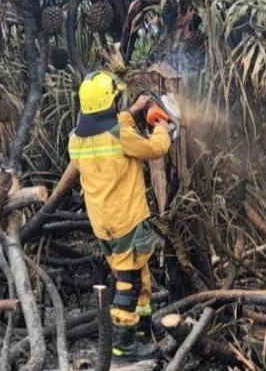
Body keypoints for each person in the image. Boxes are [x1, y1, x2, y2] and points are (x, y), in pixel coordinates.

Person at [68, 70, 172, 359]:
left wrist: (135, 110)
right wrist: (162, 126)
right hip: (127, 221)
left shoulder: (76, 140)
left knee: (139, 275)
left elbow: (111, 127)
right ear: (110, 103)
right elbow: (155, 148)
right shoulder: (120, 136)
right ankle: (122, 345)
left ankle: (141, 329)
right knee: (128, 284)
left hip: (104, 225)